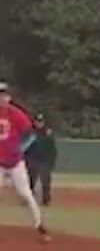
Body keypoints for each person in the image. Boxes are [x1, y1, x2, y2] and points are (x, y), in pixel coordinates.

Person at [0, 82, 51, 242]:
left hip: (15, 162)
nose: (1, 97)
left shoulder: (16, 113)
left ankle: (39, 225)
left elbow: (30, 134)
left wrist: (20, 149)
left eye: (3, 94)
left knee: (26, 194)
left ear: (9, 97)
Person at [26, 113, 57, 207]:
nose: (39, 123)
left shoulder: (48, 133)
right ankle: (29, 199)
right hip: (32, 159)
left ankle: (46, 200)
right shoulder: (30, 132)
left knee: (46, 180)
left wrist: (51, 161)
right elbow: (26, 147)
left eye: (41, 122)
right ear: (34, 122)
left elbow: (52, 149)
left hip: (45, 160)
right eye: (37, 121)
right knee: (31, 180)